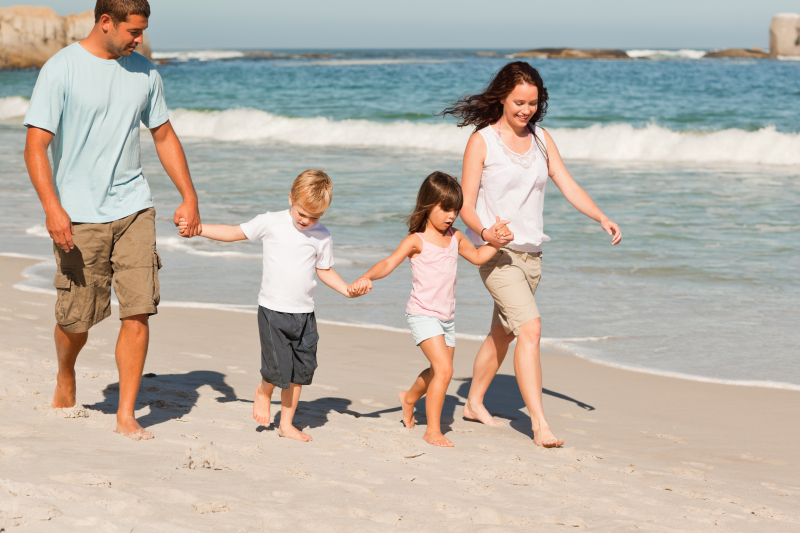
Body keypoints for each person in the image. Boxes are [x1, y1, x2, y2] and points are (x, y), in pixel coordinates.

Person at [23, 0, 202, 441]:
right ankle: (67, 375)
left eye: (142, 31)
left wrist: (189, 195)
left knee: (139, 310)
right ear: (106, 22)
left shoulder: (145, 73)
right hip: (77, 214)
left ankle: (126, 413)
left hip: (134, 207)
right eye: (132, 31)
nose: (138, 40)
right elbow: (36, 145)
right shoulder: (60, 69)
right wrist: (53, 207)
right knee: (76, 320)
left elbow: (162, 134)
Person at [440, 61, 622, 448]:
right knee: (531, 329)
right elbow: (466, 204)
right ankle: (539, 424)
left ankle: (473, 402)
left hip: (532, 256)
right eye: (519, 102)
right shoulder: (482, 141)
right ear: (502, 98)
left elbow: (568, 184)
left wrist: (600, 216)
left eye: (533, 104)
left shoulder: (541, 138)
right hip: (497, 255)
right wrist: (486, 231)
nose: (526, 110)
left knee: (503, 334)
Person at [179, 170, 360, 442]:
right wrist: (199, 229)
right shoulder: (271, 222)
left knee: (300, 373)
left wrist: (346, 289)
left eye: (315, 217)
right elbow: (234, 232)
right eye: (302, 214)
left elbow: (325, 270)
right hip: (273, 311)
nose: (307, 221)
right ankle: (264, 392)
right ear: (291, 198)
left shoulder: (322, 236)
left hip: (304, 315)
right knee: (277, 370)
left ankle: (286, 424)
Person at [348, 172, 511, 447]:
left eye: (455, 210)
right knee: (445, 370)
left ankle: (409, 397)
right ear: (427, 204)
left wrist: (496, 242)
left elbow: (478, 256)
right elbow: (388, 263)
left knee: (438, 371)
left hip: (447, 318)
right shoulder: (416, 240)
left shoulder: (455, 236)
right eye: (445, 209)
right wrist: (365, 277)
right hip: (422, 314)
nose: (451, 216)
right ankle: (432, 430)